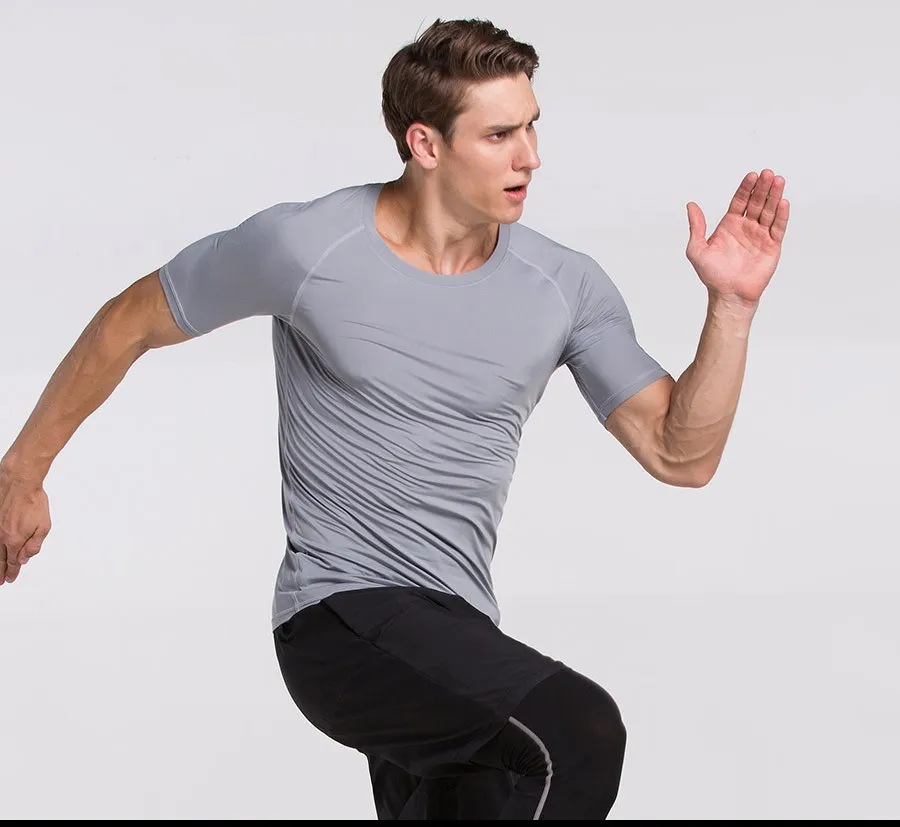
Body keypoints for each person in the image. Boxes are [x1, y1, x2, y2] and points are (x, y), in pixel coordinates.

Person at [0, 17, 790, 820]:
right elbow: (127, 322)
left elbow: (679, 452)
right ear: (425, 144)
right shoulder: (306, 247)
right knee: (575, 734)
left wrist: (731, 306)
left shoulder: (564, 286)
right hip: (337, 615)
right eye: (500, 135)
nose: (530, 156)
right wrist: (21, 474)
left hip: (456, 634)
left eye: (532, 126)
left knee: (503, 785)